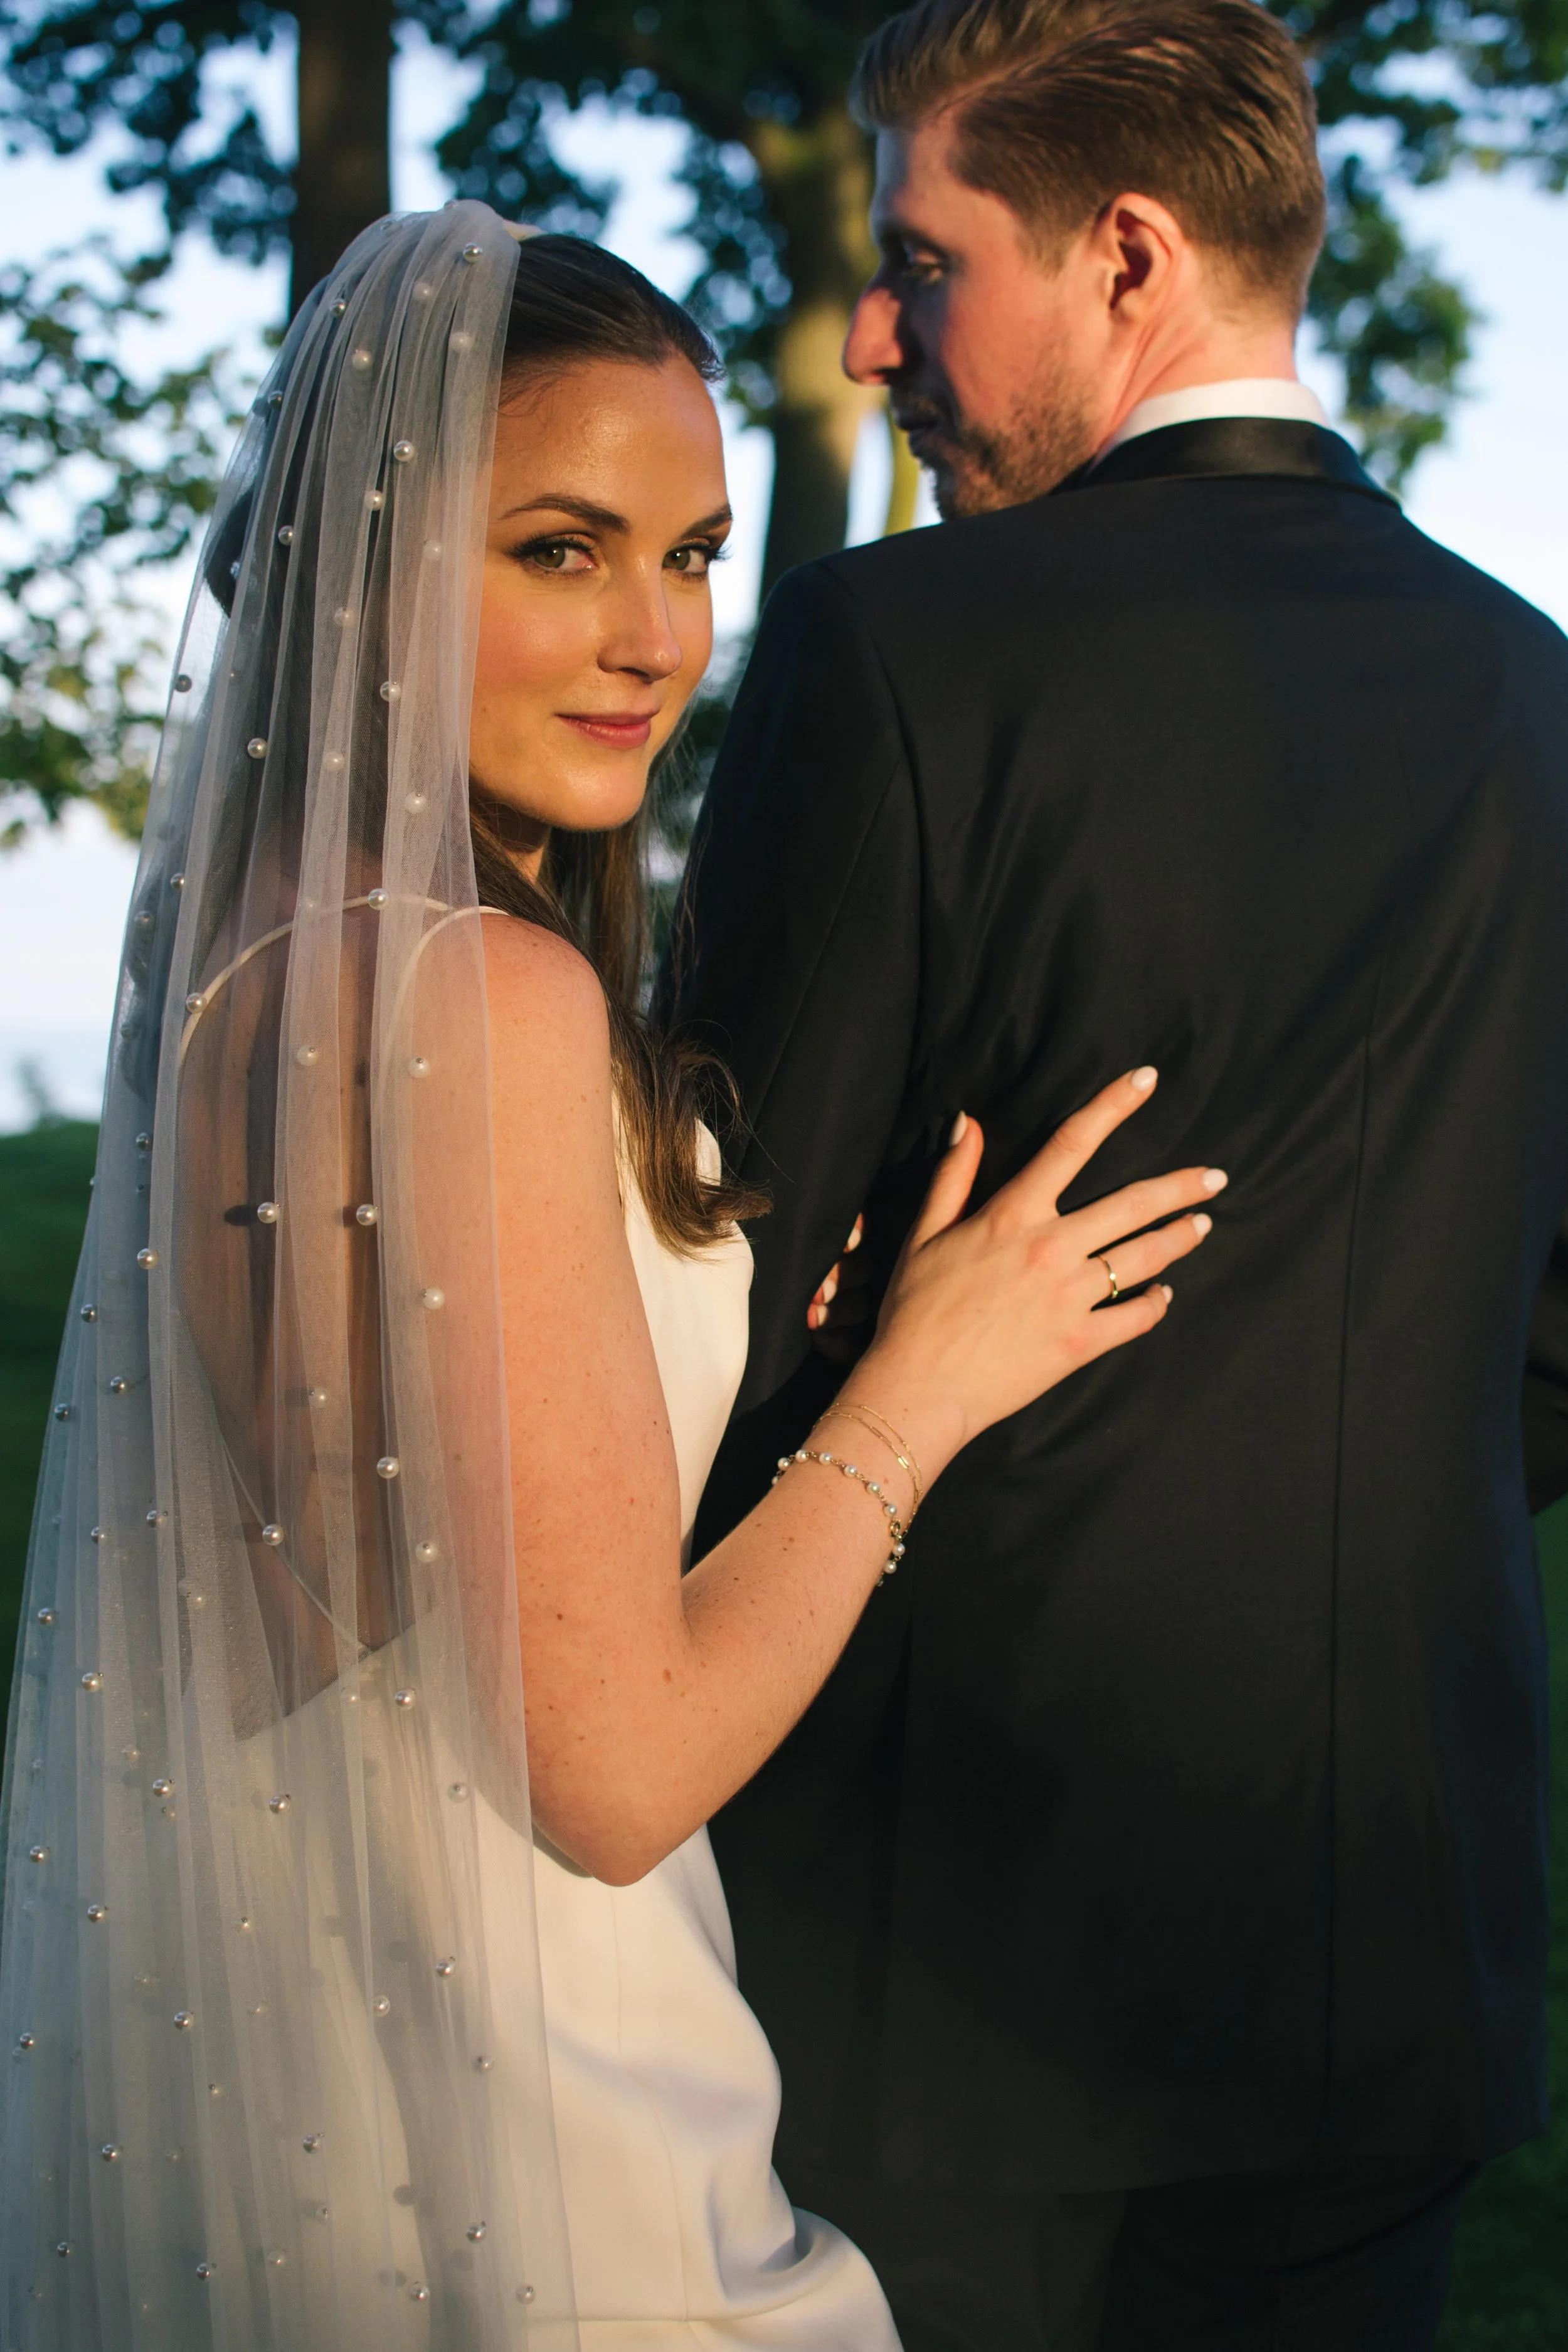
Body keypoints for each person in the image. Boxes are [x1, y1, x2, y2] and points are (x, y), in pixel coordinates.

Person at [0, 209, 1216, 2349]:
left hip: (333, 2063)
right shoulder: (480, 997)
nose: (654, 633)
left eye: (691, 551)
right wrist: (915, 1390)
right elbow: (615, 1765)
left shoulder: (252, 983)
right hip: (543, 2127)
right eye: (561, 549)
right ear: (365, 570)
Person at [663, 4, 1568, 2348]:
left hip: (930, 1959)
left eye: (928, 260)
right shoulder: (1540, 701)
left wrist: (863, 1340)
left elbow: (706, 1293)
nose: (877, 338)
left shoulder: (895, 651)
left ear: (1129, 254)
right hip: (1387, 1959)